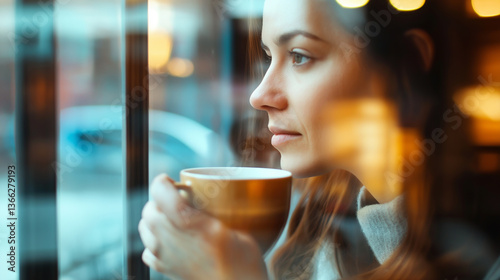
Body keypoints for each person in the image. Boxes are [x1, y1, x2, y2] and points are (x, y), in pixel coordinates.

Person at [139, 0, 500, 279]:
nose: (259, 95)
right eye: (268, 57)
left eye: (299, 56)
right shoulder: (317, 235)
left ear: (407, 69)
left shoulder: (480, 255)